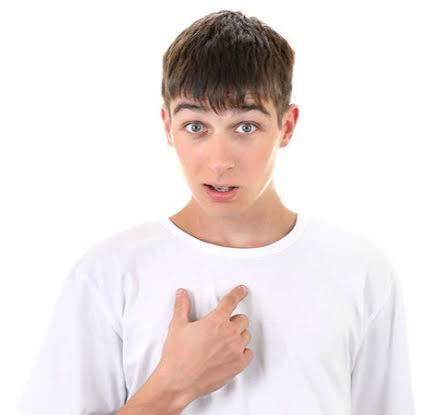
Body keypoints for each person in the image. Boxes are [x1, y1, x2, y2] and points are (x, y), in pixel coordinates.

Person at [16, 9, 415, 415]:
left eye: (246, 127)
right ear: (167, 126)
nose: (219, 161)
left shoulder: (360, 270)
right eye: (196, 127)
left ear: (287, 126)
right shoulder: (109, 273)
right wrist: (173, 386)